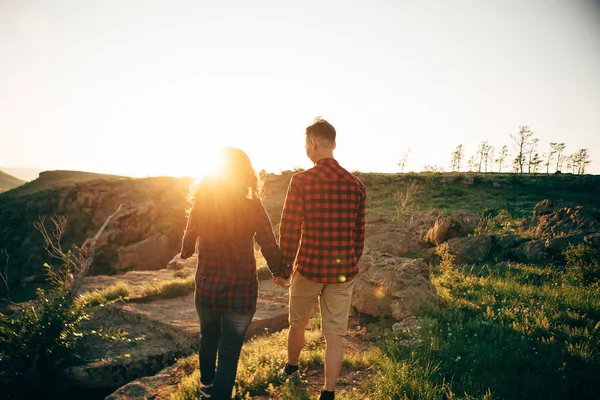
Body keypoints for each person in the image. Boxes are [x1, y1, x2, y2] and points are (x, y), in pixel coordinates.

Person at [180, 147, 284, 399]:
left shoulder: (201, 205)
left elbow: (187, 243)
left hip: (207, 290)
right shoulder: (254, 207)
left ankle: (206, 386)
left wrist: (184, 254)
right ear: (245, 174)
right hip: (241, 292)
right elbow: (269, 245)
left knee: (208, 338)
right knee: (229, 353)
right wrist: (280, 271)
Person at [274, 117, 367, 400]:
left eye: (306, 144)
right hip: (342, 273)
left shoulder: (301, 181)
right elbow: (358, 236)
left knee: (297, 323)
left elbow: (290, 228)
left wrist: (283, 269)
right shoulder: (356, 185)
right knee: (335, 335)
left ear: (313, 144)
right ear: (333, 144)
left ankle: (291, 370)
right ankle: (328, 393)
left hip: (309, 268)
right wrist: (350, 266)